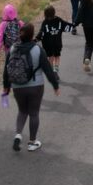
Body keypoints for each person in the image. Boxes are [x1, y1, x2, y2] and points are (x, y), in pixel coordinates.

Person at [4, 23, 59, 153]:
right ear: (32, 35)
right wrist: (55, 85)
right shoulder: (38, 50)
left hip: (17, 86)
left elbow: (6, 70)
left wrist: (6, 86)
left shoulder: (13, 48)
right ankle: (32, 142)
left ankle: (18, 134)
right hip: (35, 86)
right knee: (34, 113)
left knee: (22, 111)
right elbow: (48, 70)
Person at [35, 5, 73, 74]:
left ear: (45, 14)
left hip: (48, 44)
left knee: (50, 57)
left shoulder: (45, 22)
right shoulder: (59, 20)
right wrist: (74, 25)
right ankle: (56, 70)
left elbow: (41, 33)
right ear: (54, 12)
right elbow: (66, 25)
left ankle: (51, 71)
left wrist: (35, 40)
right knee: (57, 56)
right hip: (57, 43)